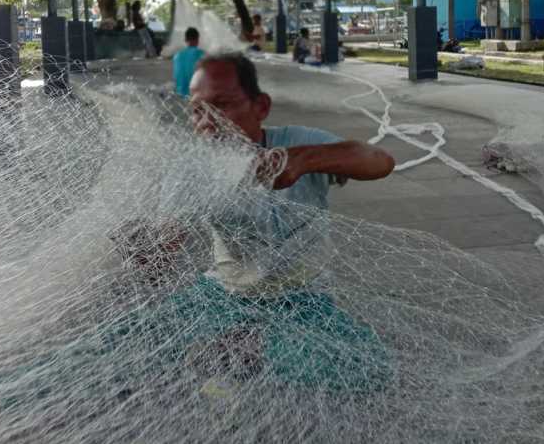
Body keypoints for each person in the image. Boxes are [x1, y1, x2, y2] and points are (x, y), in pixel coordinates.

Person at [168, 53, 395, 390]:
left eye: (222, 105)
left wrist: (301, 160)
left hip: (302, 298)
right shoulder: (191, 169)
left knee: (363, 368)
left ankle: (251, 344)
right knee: (126, 342)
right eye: (198, 110)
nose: (208, 121)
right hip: (223, 292)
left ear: (260, 106)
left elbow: (379, 160)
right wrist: (151, 247)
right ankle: (245, 343)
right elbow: (167, 237)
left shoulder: (295, 141)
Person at [172, 27, 204, 98]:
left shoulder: (177, 55)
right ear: (197, 39)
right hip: (196, 94)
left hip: (180, 92)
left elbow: (175, 77)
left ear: (185, 40)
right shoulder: (201, 54)